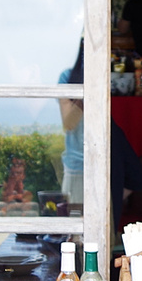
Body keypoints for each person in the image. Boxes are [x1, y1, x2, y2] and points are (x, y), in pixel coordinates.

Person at [57, 44, 85, 205]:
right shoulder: (68, 77)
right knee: (74, 224)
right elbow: (69, 123)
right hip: (78, 167)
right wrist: (87, 91)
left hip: (110, 163)